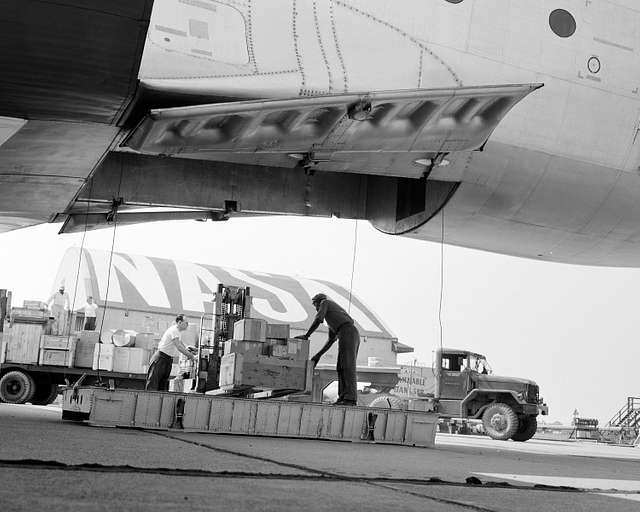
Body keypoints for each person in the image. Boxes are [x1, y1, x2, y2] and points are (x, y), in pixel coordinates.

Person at [296, 293, 360, 406]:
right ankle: (343, 397)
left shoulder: (324, 303)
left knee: (347, 365)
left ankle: (350, 399)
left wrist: (307, 335)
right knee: (341, 367)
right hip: (346, 333)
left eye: (315, 305)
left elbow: (318, 319)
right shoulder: (332, 319)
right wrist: (318, 356)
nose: (316, 309)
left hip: (348, 332)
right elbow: (330, 341)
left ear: (318, 302)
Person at [146, 314, 196, 392]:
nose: (187, 325)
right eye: (186, 323)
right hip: (161, 358)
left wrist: (188, 349)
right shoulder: (174, 330)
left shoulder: (178, 332)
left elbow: (180, 343)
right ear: (179, 322)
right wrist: (192, 356)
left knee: (162, 385)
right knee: (153, 384)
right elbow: (179, 346)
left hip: (167, 359)